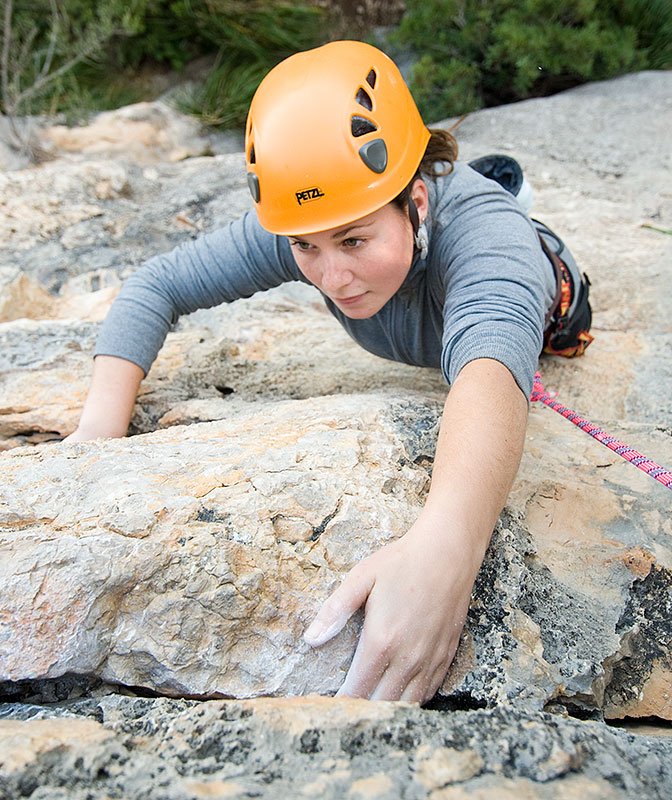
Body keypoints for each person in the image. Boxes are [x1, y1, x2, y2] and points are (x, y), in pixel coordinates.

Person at [66, 40, 593, 703]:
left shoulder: (488, 243)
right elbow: (156, 286)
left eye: (353, 241)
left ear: (418, 202)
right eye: (306, 249)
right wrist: (96, 435)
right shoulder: (320, 211)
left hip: (542, 281)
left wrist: (445, 550)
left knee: (516, 239)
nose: (333, 277)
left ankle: (506, 187)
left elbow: (489, 364)